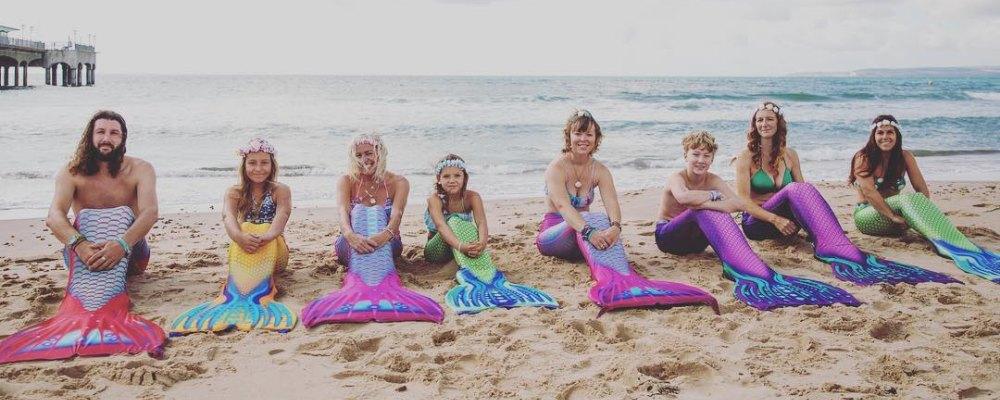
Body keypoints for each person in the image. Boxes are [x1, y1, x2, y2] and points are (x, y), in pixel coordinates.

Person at [0, 110, 165, 364]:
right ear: (90, 136)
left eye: (114, 133)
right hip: (84, 258)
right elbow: (54, 215)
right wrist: (80, 245)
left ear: (123, 138)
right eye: (101, 132)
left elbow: (150, 212)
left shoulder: (140, 169)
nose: (106, 138)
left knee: (122, 214)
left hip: (131, 254)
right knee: (86, 218)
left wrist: (121, 245)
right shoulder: (71, 171)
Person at [733, 102, 956, 286]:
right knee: (794, 189)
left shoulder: (790, 155)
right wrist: (775, 218)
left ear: (778, 123)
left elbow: (803, 194)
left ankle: (833, 240)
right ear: (754, 125)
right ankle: (829, 238)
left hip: (788, 227)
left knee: (803, 189)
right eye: (759, 120)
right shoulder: (746, 157)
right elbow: (743, 201)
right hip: (759, 224)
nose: (764, 124)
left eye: (769, 119)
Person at [535, 109, 717, 313]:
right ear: (568, 136)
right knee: (591, 217)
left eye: (589, 134)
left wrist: (615, 227)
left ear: (596, 139)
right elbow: (563, 206)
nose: (583, 139)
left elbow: (612, 204)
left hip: (584, 238)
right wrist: (589, 231)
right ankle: (612, 279)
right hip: (553, 238)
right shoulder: (557, 167)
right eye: (578, 133)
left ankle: (622, 280)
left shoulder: (599, 170)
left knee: (602, 220)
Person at [655, 131, 859, 310]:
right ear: (685, 155)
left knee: (705, 210)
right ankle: (745, 270)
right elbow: (683, 197)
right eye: (695, 154)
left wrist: (705, 202)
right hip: (670, 238)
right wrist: (714, 197)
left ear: (712, 159)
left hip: (698, 243)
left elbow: (736, 204)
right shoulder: (677, 177)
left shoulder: (714, 180)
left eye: (706, 156)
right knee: (702, 211)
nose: (701, 160)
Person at [302, 133, 443, 325]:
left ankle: (377, 286)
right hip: (350, 245)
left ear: (380, 153)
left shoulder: (399, 182)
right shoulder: (346, 180)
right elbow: (343, 212)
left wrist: (384, 236)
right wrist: (350, 235)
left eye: (369, 153)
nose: (364, 159)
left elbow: (397, 216)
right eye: (358, 155)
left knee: (376, 213)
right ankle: (361, 286)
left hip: (388, 244)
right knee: (360, 211)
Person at [849, 114, 998, 283]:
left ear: (897, 135)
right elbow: (869, 192)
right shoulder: (863, 157)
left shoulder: (905, 157)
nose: (885, 137)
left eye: (890, 132)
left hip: (898, 221)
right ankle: (947, 246)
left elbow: (922, 191)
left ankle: (951, 242)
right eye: (880, 133)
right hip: (868, 217)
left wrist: (923, 217)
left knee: (916, 198)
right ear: (873, 136)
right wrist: (892, 216)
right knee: (907, 199)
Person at [171, 138, 297, 335]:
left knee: (261, 226)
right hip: (244, 247)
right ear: (244, 165)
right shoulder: (234, 192)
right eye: (252, 163)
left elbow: (283, 214)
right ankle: (237, 298)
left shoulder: (280, 190)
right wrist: (239, 237)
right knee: (244, 226)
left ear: (272, 165)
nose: (258, 168)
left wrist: (268, 236)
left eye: (264, 162)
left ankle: (257, 297)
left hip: (275, 251)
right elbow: (228, 217)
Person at [423, 154, 557, 314]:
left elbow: (481, 223)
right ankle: (470, 270)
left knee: (468, 227)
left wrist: (482, 243)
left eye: (457, 175)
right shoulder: (434, 199)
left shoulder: (472, 197)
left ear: (464, 178)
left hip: (462, 249)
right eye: (446, 176)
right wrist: (461, 246)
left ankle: (487, 278)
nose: (452, 180)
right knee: (454, 221)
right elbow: (441, 226)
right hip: (437, 251)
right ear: (438, 179)